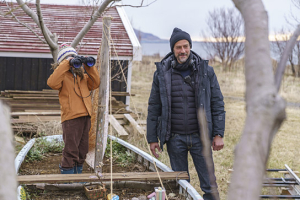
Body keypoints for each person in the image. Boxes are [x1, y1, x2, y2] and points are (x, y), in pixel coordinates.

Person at [146, 28, 225, 200]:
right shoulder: (161, 73)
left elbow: (217, 103)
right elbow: (154, 107)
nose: (183, 51)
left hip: (201, 137)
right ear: (172, 49)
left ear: (190, 46)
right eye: (178, 47)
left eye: (185, 46)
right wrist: (152, 138)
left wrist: (218, 134)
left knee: (209, 185)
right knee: (181, 185)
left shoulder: (206, 71)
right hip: (175, 139)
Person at [47, 43, 100, 174]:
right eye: (69, 58)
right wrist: (66, 63)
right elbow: (51, 83)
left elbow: (96, 83)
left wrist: (89, 66)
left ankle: (77, 175)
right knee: (71, 149)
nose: (73, 61)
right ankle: (67, 178)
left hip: (86, 116)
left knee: (83, 149)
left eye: (74, 58)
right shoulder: (62, 77)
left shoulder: (83, 76)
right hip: (71, 118)